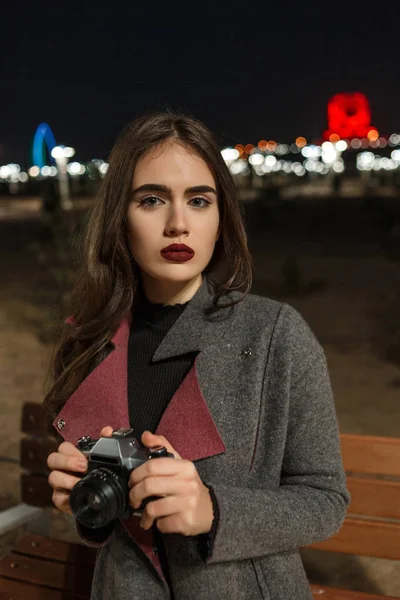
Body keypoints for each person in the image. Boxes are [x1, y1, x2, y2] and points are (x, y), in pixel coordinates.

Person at [44, 112, 350, 600]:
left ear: (221, 217)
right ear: (119, 217)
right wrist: (85, 501)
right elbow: (109, 526)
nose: (178, 224)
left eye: (199, 201)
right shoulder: (88, 341)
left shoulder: (276, 335)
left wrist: (213, 510)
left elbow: (325, 500)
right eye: (151, 200)